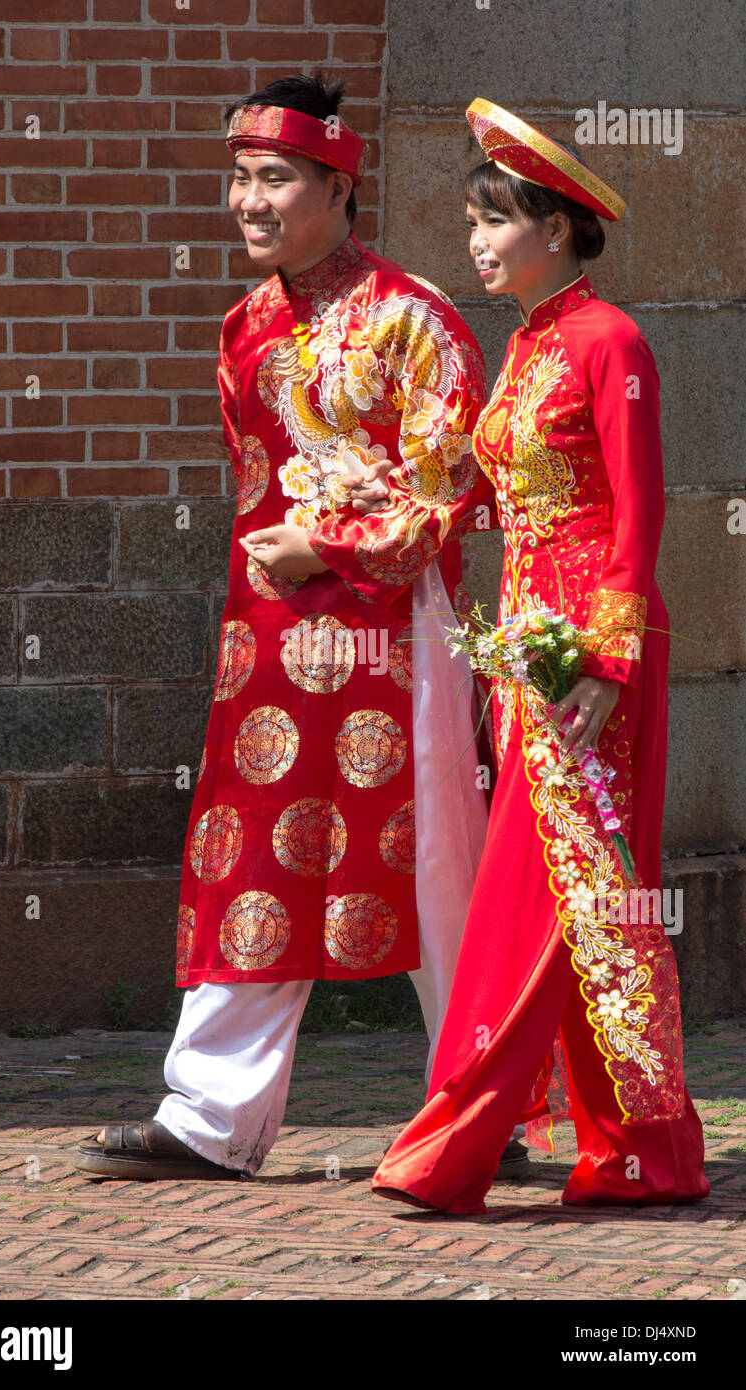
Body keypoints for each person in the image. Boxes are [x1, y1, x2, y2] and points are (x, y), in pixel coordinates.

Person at [74, 74, 511, 1184]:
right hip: (270, 647)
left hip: (396, 635)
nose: (248, 201)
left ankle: (485, 1106)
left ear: (339, 187)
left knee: (440, 873)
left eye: (273, 178)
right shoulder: (245, 326)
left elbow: (454, 493)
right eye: (240, 177)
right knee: (250, 857)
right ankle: (212, 1117)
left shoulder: (416, 321)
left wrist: (334, 550)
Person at [371, 99, 709, 1214]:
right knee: (582, 901)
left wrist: (603, 667)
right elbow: (489, 496)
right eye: (473, 218)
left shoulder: (612, 341)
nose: (476, 239)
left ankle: (458, 1140)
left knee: (553, 895)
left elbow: (641, 514)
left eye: (496, 218)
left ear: (555, 230)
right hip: (527, 651)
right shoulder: (523, 348)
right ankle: (639, 1150)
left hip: (586, 659)